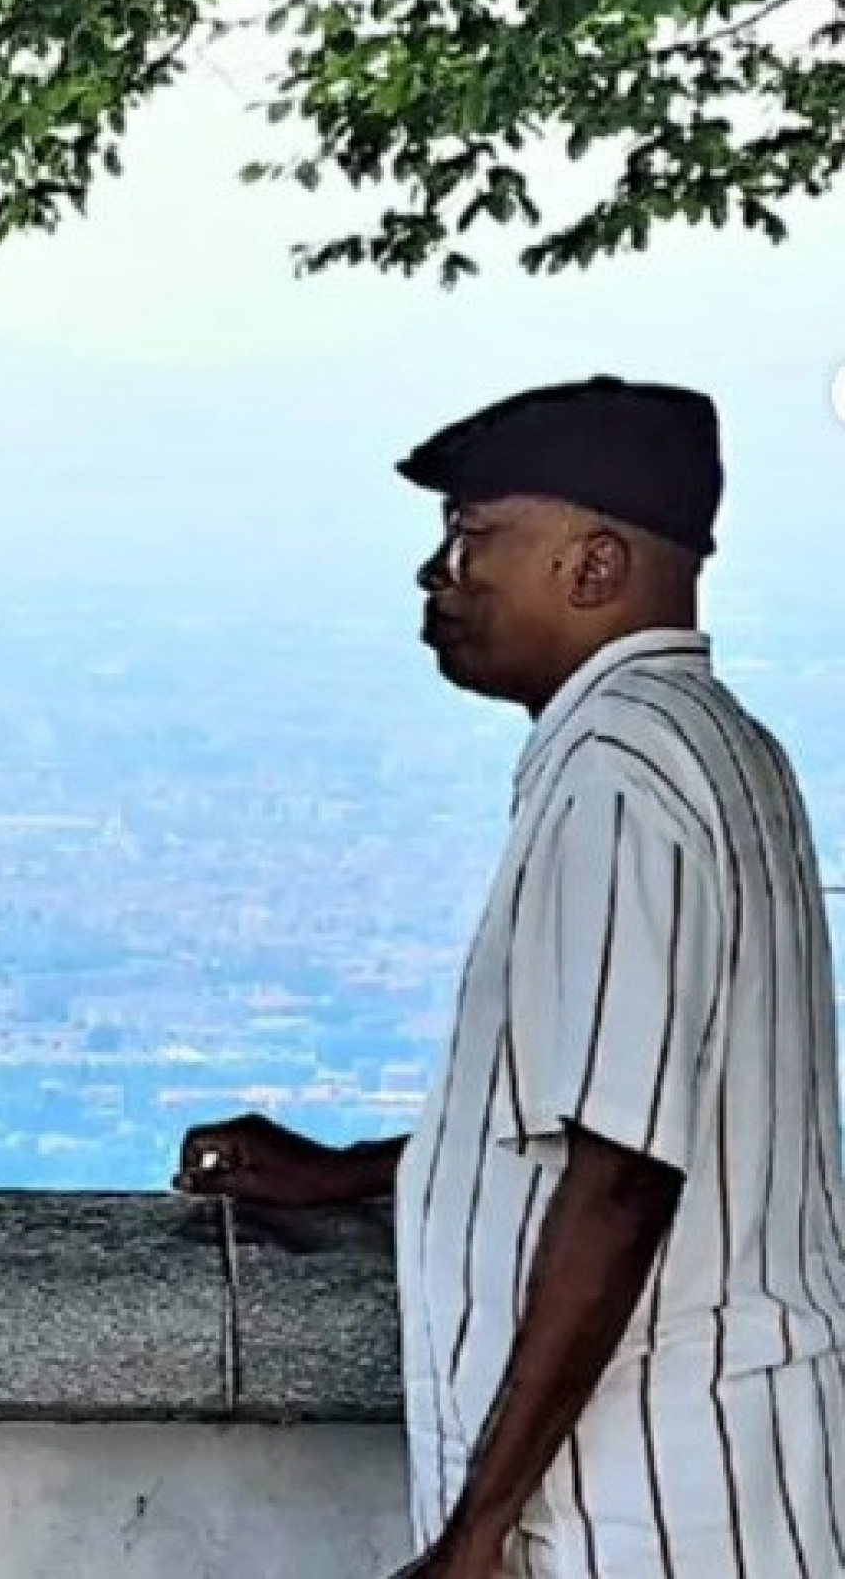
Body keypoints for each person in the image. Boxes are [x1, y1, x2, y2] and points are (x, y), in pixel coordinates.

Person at [174, 375, 845, 1577]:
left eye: (475, 537)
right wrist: (364, 1174)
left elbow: (626, 1173)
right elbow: (629, 1113)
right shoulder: (725, 744)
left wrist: (479, 1527)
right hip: (736, 1485)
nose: (440, 575)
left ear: (593, 566)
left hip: (644, 1505)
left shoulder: (619, 774)